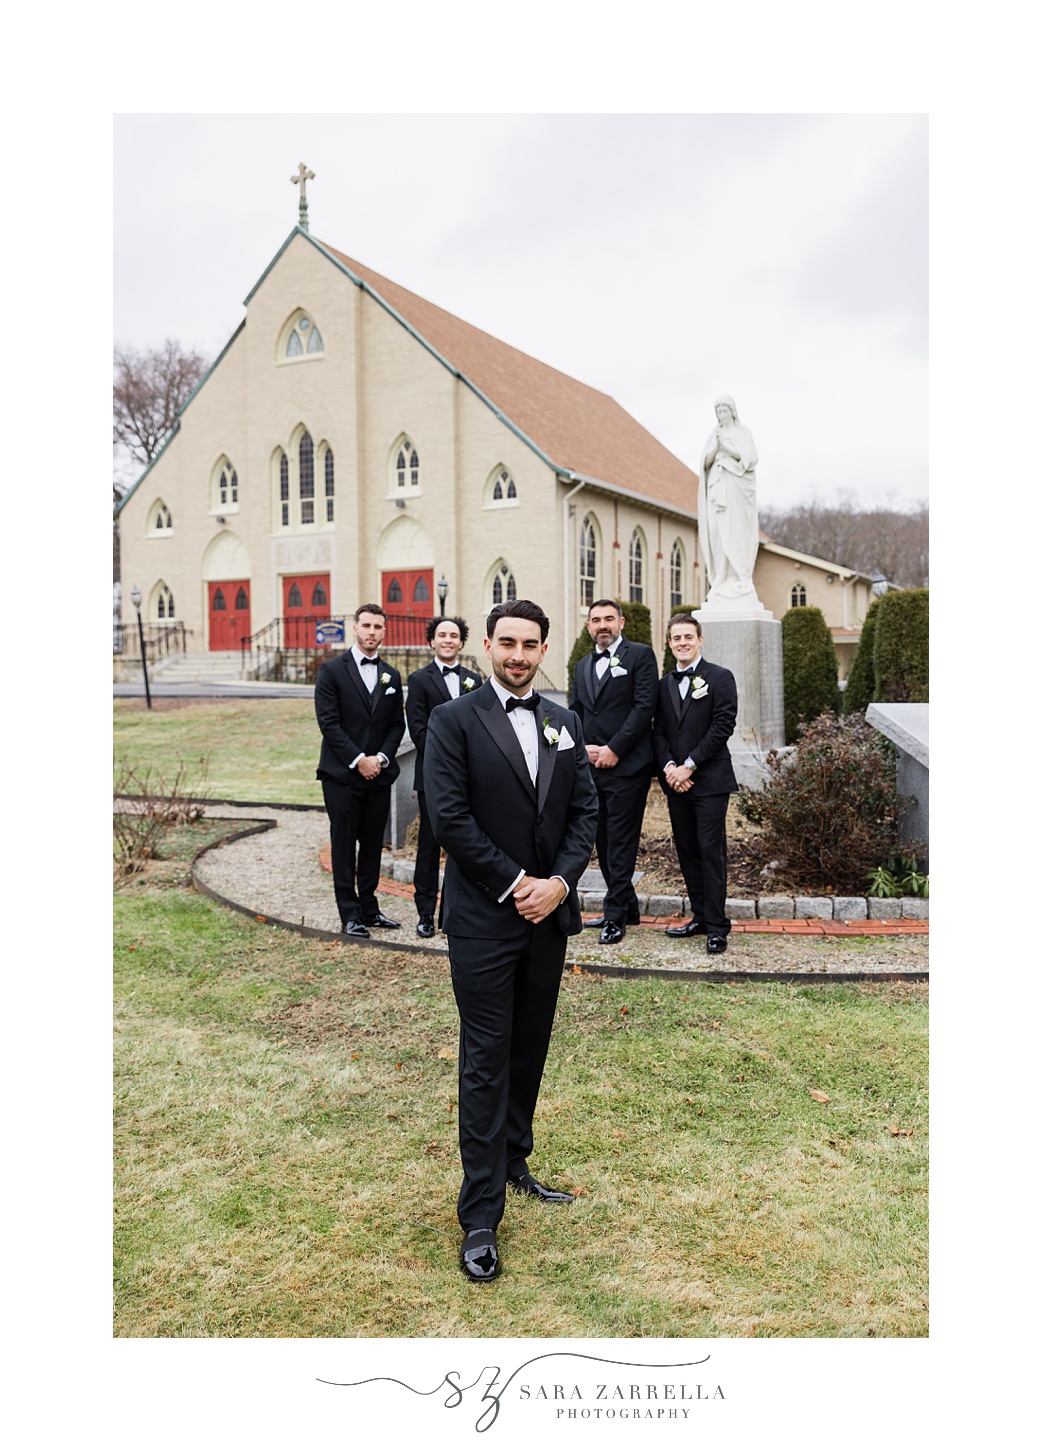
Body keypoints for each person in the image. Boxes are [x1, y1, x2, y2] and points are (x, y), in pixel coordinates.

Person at [424, 600, 598, 1282]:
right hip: (485, 918)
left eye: (531, 644)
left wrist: (558, 882)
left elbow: (585, 809)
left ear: (544, 647)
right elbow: (449, 817)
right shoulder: (453, 720)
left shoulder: (563, 721)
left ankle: (515, 1159)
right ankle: (479, 1215)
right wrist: (517, 881)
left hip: (547, 918)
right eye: (508, 643)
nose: (519, 654)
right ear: (488, 644)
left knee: (530, 1045)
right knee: (486, 1056)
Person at [568, 599, 658, 945]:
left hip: (627, 766)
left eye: (608, 618)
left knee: (621, 841)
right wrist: (584, 749)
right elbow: (575, 711)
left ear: (621, 622)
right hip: (592, 766)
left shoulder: (640, 655)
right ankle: (629, 907)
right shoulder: (581, 666)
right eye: (595, 620)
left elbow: (643, 707)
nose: (602, 625)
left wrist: (614, 749)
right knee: (602, 841)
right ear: (589, 626)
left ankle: (614, 915)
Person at [314, 603, 406, 939]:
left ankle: (369, 908)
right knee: (343, 845)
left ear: (384, 631)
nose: (371, 632)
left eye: (378, 627)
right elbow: (329, 723)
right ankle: (348, 914)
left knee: (371, 845)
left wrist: (380, 759)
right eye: (366, 626)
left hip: (378, 775)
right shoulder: (331, 671)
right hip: (342, 775)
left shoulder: (392, 676)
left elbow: (397, 725)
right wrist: (359, 760)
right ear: (355, 628)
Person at [652, 613, 738, 954]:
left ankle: (718, 926)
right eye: (676, 638)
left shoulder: (720, 677)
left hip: (710, 780)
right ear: (670, 643)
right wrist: (671, 768)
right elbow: (658, 732)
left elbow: (723, 725)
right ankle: (700, 917)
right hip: (677, 783)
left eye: (688, 636)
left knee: (710, 852)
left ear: (700, 640)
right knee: (687, 851)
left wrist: (690, 765)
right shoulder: (663, 685)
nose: (683, 642)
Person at [405, 616, 483, 938]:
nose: (448, 640)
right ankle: (425, 912)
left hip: (472, 777)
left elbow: (482, 727)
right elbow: (419, 730)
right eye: (442, 635)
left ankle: (458, 912)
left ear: (461, 642)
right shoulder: (419, 680)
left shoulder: (474, 679)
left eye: (454, 635)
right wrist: (449, 761)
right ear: (432, 641)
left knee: (468, 844)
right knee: (429, 845)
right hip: (434, 777)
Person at [698, 394, 759, 603]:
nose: (721, 415)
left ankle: (740, 576)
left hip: (736, 489)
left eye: (724, 411)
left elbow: (750, 459)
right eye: (718, 412)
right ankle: (720, 578)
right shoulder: (714, 434)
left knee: (735, 530)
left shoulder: (744, 433)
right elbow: (705, 463)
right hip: (717, 486)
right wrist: (715, 449)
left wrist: (727, 449)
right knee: (717, 531)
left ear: (732, 412)